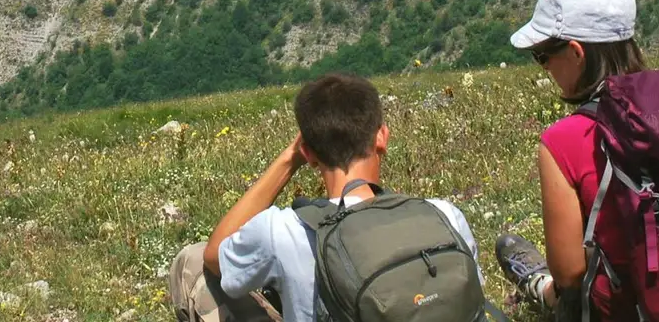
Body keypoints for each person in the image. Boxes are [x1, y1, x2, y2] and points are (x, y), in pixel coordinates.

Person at [168, 72, 482, 322]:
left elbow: (214, 256)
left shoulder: (284, 232)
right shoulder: (445, 215)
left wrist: (289, 160)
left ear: (309, 153)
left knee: (192, 262)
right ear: (382, 137)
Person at [493, 0, 647, 322]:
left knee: (564, 286)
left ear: (576, 53)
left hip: (633, 309)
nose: (544, 68)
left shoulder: (565, 139)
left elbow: (571, 273)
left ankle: (538, 287)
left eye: (542, 56)